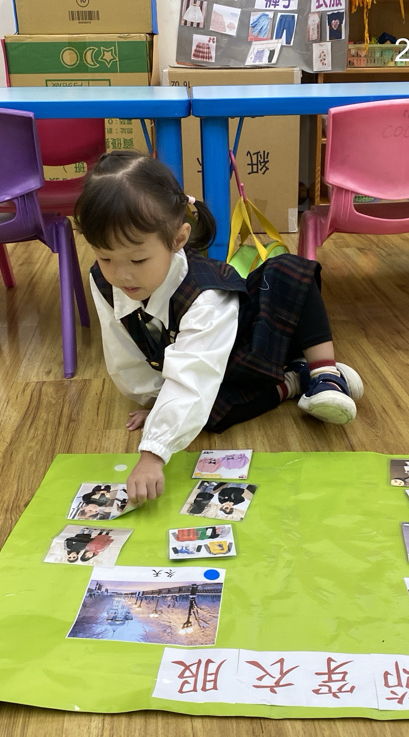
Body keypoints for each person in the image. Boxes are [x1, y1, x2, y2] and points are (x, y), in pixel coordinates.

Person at [75, 151, 363, 503]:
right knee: (204, 417)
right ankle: (293, 380)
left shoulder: (206, 294)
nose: (121, 274)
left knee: (287, 272)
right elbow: (122, 349)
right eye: (105, 257)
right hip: (214, 364)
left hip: (257, 341)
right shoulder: (105, 281)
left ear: (178, 239)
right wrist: (156, 402)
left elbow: (194, 375)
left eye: (138, 259)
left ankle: (323, 372)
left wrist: (153, 452)